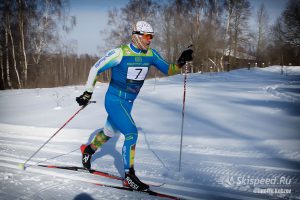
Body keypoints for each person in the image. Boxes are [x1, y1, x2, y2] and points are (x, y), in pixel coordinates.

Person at [76, 21, 193, 191]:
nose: (149, 40)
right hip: (114, 100)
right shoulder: (120, 53)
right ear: (137, 36)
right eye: (147, 36)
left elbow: (169, 70)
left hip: (129, 102)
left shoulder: (151, 54)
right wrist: (88, 92)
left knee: (109, 131)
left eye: (151, 37)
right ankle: (129, 176)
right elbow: (95, 68)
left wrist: (181, 62)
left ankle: (88, 150)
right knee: (131, 133)